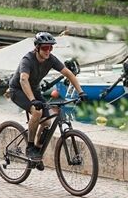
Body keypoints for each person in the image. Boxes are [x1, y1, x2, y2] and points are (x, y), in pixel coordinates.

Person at [5, 31, 87, 161]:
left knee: (47, 122)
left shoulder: (51, 59)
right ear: (37, 48)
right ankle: (30, 147)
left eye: (50, 48)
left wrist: (81, 92)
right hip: (18, 90)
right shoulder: (28, 60)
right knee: (37, 112)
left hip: (34, 90)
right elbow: (23, 80)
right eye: (44, 48)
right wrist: (33, 100)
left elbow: (69, 74)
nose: (48, 51)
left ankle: (37, 150)